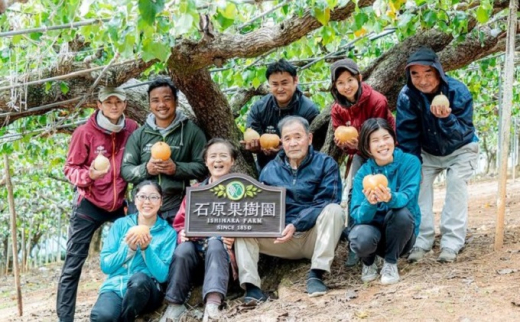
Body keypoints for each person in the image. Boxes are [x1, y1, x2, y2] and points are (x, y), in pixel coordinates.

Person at [235, 116, 345, 302]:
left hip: (314, 237)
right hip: (281, 239)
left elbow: (326, 201)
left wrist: (296, 223)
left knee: (334, 210)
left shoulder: (326, 164)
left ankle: (317, 274)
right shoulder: (270, 170)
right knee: (243, 228)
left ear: (309, 138)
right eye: (287, 138)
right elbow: (263, 207)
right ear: (281, 142)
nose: (293, 143)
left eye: (298, 137)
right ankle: (252, 288)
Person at [56, 87, 139, 322]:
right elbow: (70, 168)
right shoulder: (85, 132)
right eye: (108, 102)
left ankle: (135, 303)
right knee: (73, 262)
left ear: (124, 104)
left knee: (142, 240)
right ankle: (65, 318)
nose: (114, 106)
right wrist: (89, 176)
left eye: (118, 102)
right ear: (99, 105)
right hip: (89, 204)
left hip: (119, 203)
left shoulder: (132, 128)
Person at [396, 47, 478, 263]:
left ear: (438, 72)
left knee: (456, 183)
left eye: (427, 73)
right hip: (427, 152)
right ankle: (422, 240)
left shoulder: (458, 92)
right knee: (418, 185)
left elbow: (463, 132)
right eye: (415, 74)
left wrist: (447, 118)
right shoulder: (407, 97)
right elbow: (407, 137)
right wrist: (412, 168)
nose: (422, 80)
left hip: (461, 149)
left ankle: (451, 242)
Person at [160, 138, 238, 322]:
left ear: (232, 161)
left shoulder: (241, 190)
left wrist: (236, 236)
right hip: (195, 260)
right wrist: (183, 233)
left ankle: (212, 305)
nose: (217, 160)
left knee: (215, 242)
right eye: (213, 156)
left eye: (223, 156)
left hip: (222, 259)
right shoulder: (196, 191)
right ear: (206, 162)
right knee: (182, 250)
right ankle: (174, 305)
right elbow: (180, 223)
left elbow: (253, 223)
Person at [329, 58, 396, 267]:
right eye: (340, 83)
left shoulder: (377, 101)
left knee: (385, 189)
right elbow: (344, 142)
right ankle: (355, 241)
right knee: (353, 192)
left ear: (359, 78)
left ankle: (389, 238)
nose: (346, 86)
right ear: (335, 87)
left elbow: (379, 135)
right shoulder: (337, 109)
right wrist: (345, 144)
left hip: (384, 149)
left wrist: (356, 141)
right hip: (359, 153)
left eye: (350, 79)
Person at [121, 78, 207, 225]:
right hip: (142, 207)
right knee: (140, 244)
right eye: (155, 100)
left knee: (176, 247)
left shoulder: (191, 132)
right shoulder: (139, 135)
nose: (161, 105)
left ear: (176, 101)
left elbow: (203, 166)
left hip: (176, 207)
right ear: (149, 105)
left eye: (166, 99)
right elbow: (126, 170)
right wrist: (146, 169)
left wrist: (177, 168)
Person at [90, 181, 177, 322]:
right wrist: (128, 249)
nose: (147, 202)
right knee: (102, 317)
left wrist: (146, 249)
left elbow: (162, 276)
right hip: (116, 287)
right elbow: (106, 266)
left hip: (147, 290)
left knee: (139, 280)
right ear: (135, 200)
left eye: (153, 197)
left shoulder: (168, 233)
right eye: (142, 196)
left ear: (161, 202)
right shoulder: (120, 225)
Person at [349, 118, 421, 284]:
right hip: (372, 233)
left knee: (402, 214)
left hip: (400, 235)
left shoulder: (410, 163)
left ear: (394, 139)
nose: (382, 144)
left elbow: (408, 198)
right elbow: (358, 217)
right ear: (367, 147)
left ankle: (390, 263)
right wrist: (370, 203)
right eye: (375, 140)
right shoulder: (363, 174)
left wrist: (391, 198)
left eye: (386, 137)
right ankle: (368, 262)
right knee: (360, 235)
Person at [243, 58, 320, 171]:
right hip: (266, 170)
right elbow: (252, 134)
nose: (280, 89)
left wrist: (285, 149)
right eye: (275, 84)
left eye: (284, 83)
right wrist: (256, 147)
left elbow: (316, 146)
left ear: (295, 81)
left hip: (300, 170)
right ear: (269, 84)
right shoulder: (259, 108)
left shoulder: (309, 110)